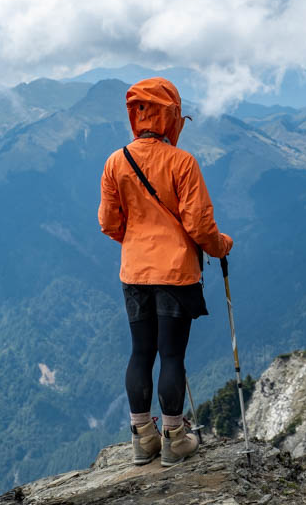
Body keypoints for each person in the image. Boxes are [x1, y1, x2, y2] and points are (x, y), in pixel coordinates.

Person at [98, 77, 233, 466]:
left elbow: (109, 224)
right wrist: (222, 245)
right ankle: (175, 438)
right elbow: (200, 228)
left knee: (141, 352)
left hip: (135, 273)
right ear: (171, 115)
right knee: (172, 355)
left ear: (136, 115)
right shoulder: (182, 163)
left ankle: (143, 439)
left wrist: (138, 240)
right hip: (176, 273)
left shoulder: (115, 162)